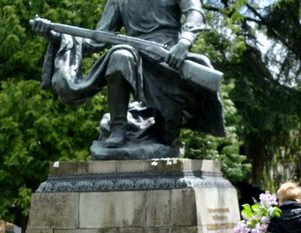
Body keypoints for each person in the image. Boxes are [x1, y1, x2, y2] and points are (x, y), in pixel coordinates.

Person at [32, 0, 225, 153]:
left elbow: (195, 13)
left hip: (167, 61)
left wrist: (185, 41)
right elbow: (96, 39)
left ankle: (165, 125)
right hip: (135, 56)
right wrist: (55, 35)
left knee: (166, 139)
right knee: (119, 56)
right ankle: (118, 127)